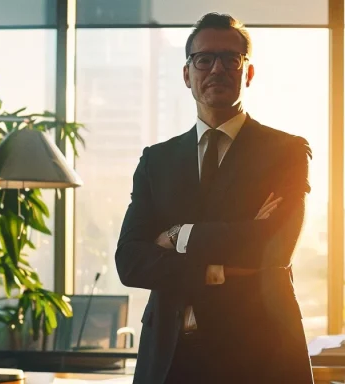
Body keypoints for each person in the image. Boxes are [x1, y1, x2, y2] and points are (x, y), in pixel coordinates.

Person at [115, 12, 314, 384]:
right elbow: (130, 261)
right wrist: (218, 267)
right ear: (187, 74)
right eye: (204, 59)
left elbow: (274, 247)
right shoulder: (156, 161)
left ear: (248, 73)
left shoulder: (285, 152)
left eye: (230, 59)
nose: (216, 69)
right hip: (169, 357)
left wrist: (176, 237)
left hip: (258, 355)